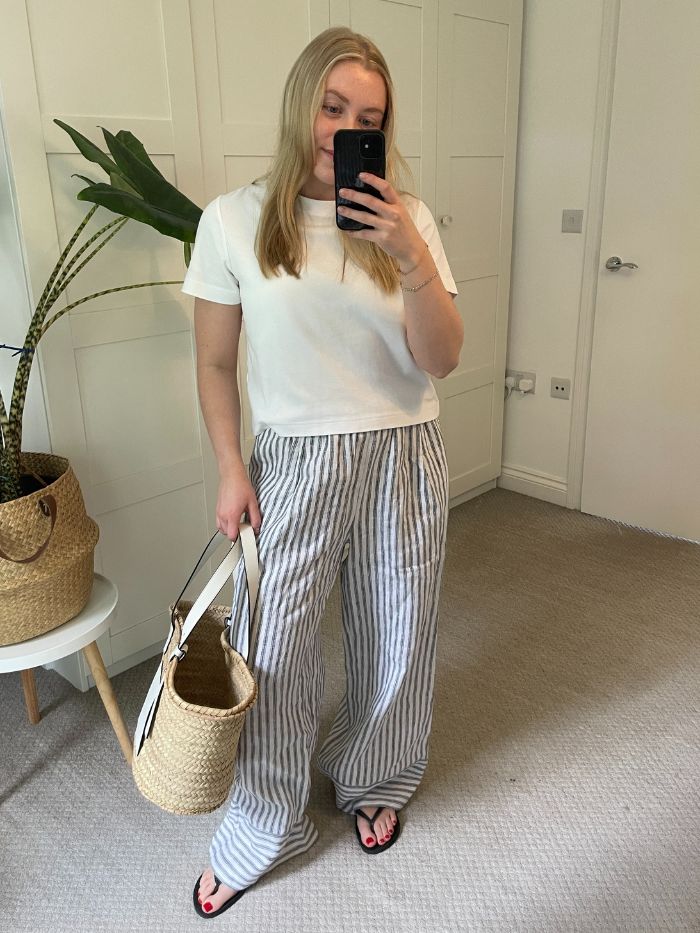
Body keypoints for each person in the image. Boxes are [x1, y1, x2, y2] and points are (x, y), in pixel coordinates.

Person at [181, 25, 463, 919]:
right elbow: (217, 367)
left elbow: (442, 357)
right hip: (296, 456)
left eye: (368, 116)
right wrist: (231, 468)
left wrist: (410, 256)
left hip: (402, 447)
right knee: (274, 646)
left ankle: (378, 772)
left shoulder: (407, 218)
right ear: (301, 101)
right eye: (333, 107)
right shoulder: (231, 219)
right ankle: (265, 818)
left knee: (399, 625)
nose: (345, 129)